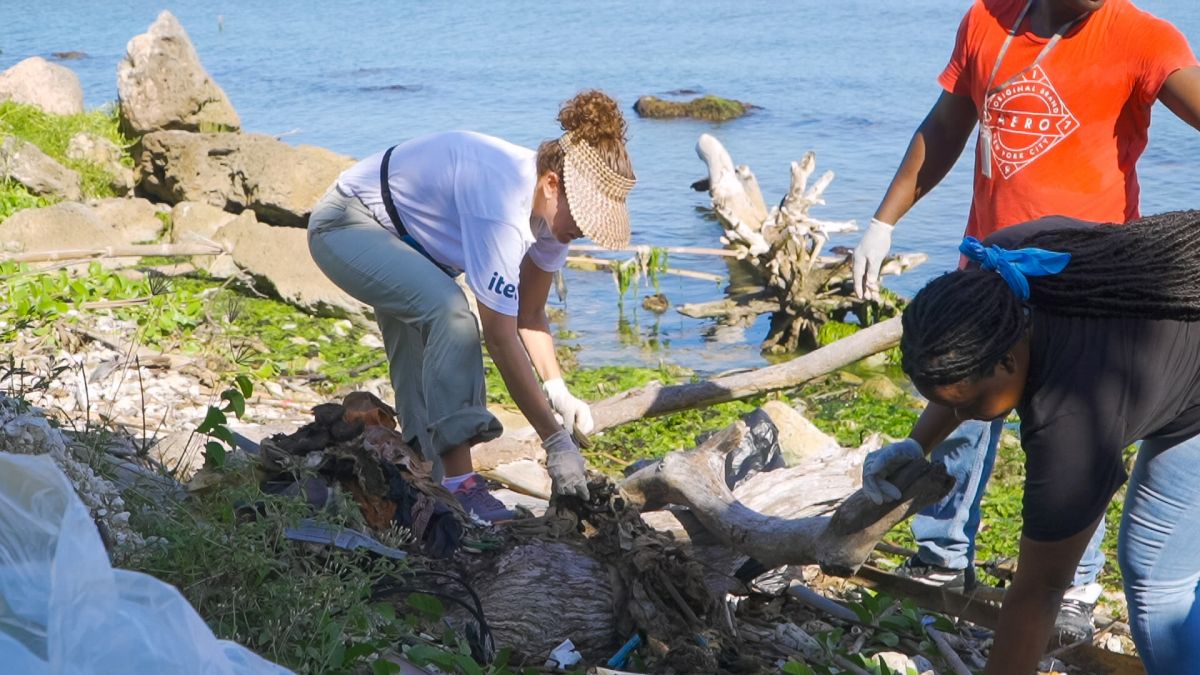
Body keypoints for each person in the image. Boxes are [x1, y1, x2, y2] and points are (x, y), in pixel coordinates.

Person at [850, 0, 1200, 639]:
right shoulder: (988, 18)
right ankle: (943, 557)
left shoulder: (1142, 36)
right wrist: (883, 219)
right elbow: (946, 127)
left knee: (1083, 431)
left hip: (1087, 292)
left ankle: (1077, 584)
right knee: (962, 411)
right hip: (992, 269)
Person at [864, 211, 1200, 673]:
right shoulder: (1000, 269)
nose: (960, 419)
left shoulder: (1071, 422)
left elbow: (1040, 590)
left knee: (1157, 582)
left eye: (968, 406)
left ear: (1005, 361)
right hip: (1170, 350)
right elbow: (958, 372)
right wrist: (914, 444)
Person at [306, 90, 636, 522]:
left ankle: (428, 492)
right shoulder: (500, 205)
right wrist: (555, 441)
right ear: (552, 185)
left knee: (422, 401)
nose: (584, 231)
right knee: (452, 314)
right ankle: (463, 487)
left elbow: (529, 317)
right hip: (346, 225)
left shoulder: (553, 221)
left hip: (410, 248)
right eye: (583, 217)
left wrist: (558, 389)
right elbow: (498, 338)